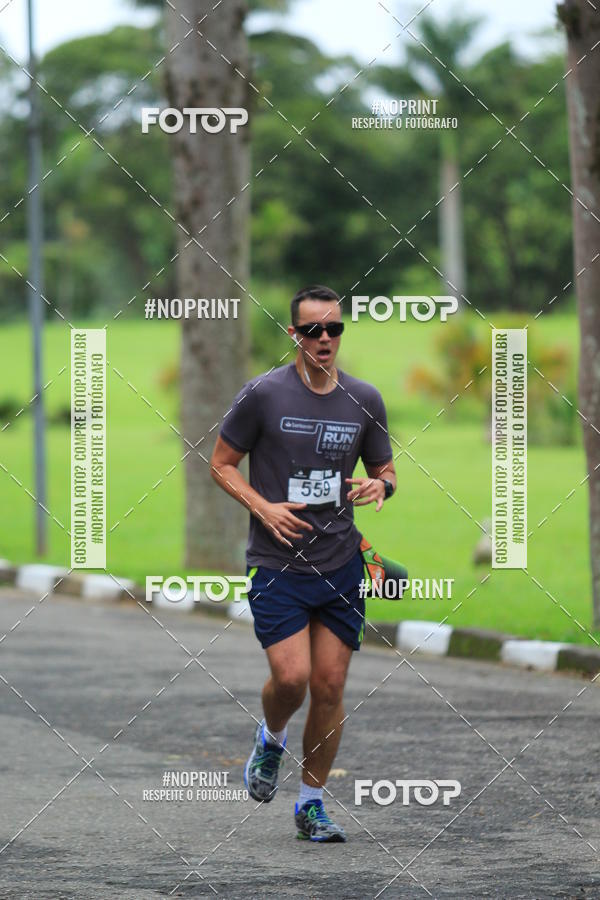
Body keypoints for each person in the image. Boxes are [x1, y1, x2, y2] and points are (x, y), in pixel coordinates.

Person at [210, 284, 396, 842]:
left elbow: (385, 470)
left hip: (340, 563)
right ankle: (271, 739)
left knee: (331, 686)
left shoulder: (364, 399)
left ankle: (311, 805)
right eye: (311, 329)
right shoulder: (263, 395)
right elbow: (221, 464)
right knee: (291, 680)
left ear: (341, 333)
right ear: (294, 334)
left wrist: (381, 487)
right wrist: (263, 507)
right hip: (276, 565)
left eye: (333, 329)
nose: (323, 339)